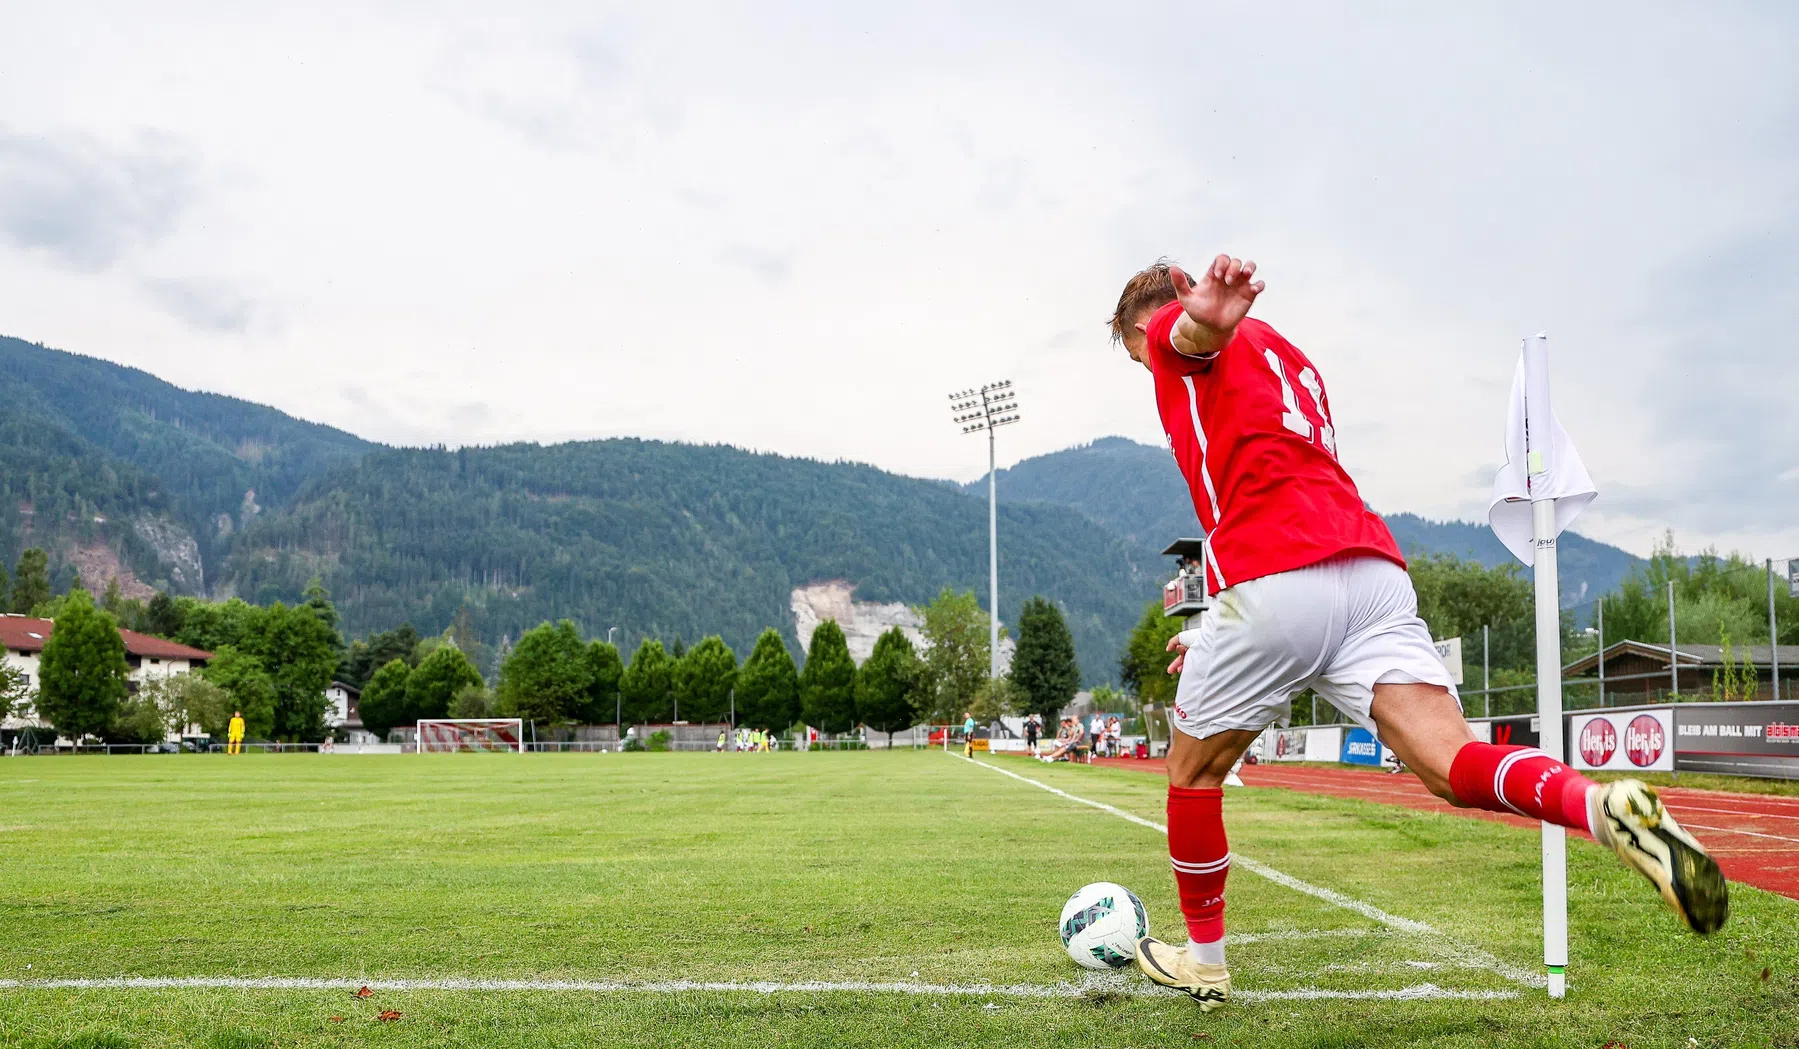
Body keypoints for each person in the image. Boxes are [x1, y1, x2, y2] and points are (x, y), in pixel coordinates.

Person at [1107, 255, 1726, 1011]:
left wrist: (1195, 321)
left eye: (1140, 362)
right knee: (1451, 761)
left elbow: (1188, 339)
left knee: (1193, 773)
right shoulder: (1287, 354)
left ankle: (1204, 961)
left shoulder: (1178, 329)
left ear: (1145, 326)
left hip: (1273, 574)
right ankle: (1594, 803)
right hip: (1368, 569)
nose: (1152, 376)